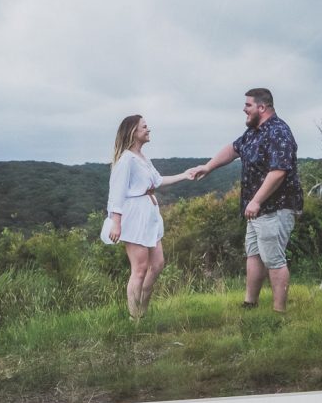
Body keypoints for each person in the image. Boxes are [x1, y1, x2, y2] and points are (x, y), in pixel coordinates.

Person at [194, 88, 303, 315]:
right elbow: (233, 149)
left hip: (275, 207)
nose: (244, 109)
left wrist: (256, 201)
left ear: (262, 108)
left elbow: (279, 171)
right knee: (253, 254)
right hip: (256, 210)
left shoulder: (278, 132)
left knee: (274, 259)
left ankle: (279, 313)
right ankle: (250, 304)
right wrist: (208, 166)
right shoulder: (254, 132)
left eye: (248, 105)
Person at [101, 114, 200, 320]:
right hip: (134, 215)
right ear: (133, 132)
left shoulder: (143, 158)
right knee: (139, 269)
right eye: (144, 127)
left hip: (150, 214)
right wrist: (116, 222)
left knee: (157, 264)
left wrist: (185, 174)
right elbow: (116, 193)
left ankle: (142, 309)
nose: (148, 129)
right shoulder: (126, 160)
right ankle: (134, 317)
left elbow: (157, 181)